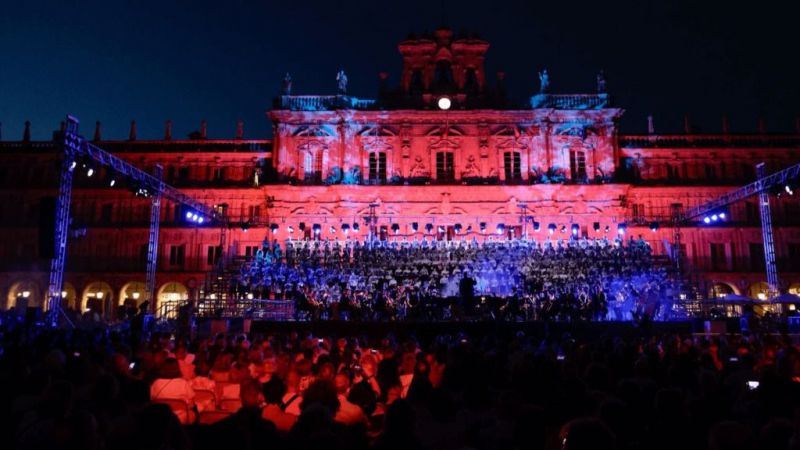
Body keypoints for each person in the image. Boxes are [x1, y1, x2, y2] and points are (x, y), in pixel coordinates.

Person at [150, 358, 196, 424]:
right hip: (181, 419)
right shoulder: (183, 383)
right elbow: (191, 404)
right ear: (177, 368)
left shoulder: (156, 383)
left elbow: (152, 399)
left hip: (160, 418)